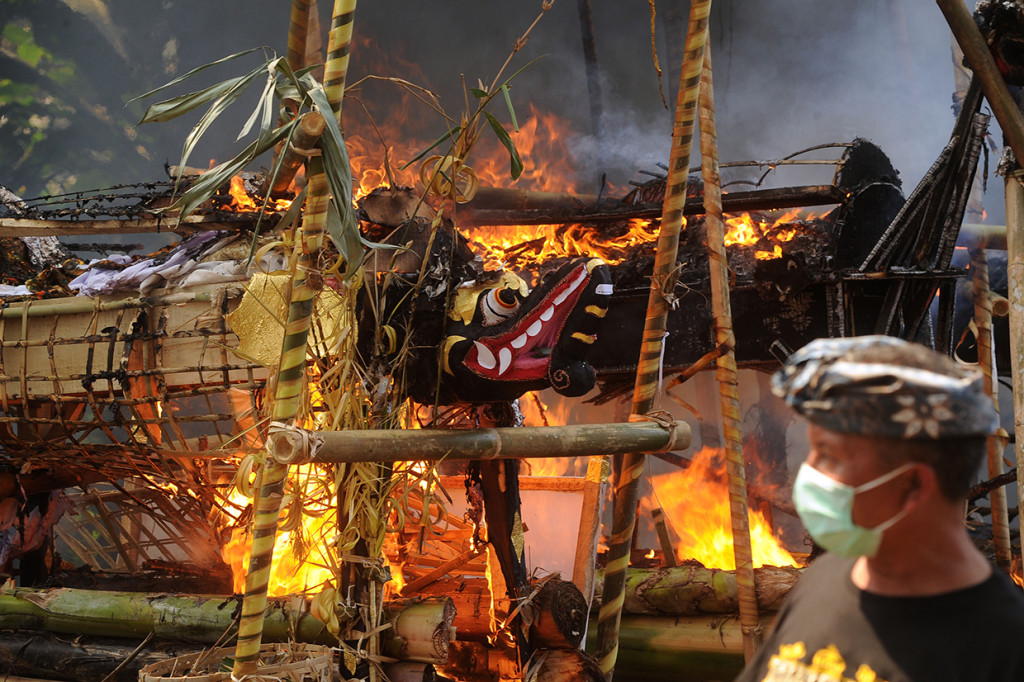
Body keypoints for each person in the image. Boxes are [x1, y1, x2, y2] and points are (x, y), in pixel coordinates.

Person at [734, 335, 1024, 682]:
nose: (809, 472)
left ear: (914, 485)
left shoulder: (1004, 647)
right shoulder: (820, 583)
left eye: (830, 456)